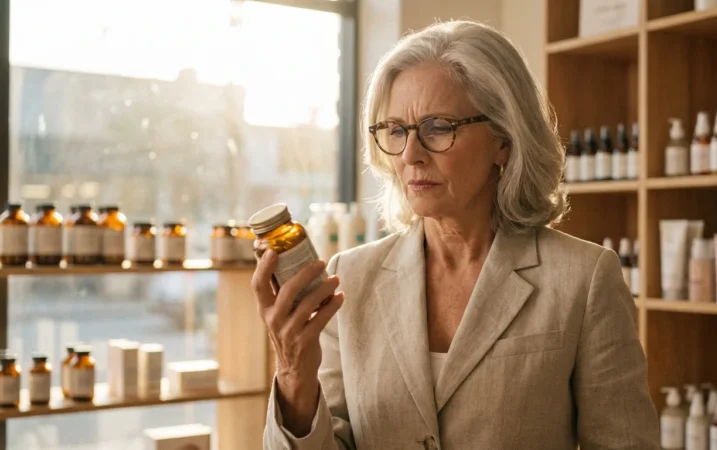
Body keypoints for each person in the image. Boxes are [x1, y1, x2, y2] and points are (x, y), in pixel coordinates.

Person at [253, 20, 660, 450]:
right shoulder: (348, 278)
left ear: (504, 139)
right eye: (395, 130)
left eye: (437, 127)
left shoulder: (584, 278)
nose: (410, 155)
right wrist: (294, 374)